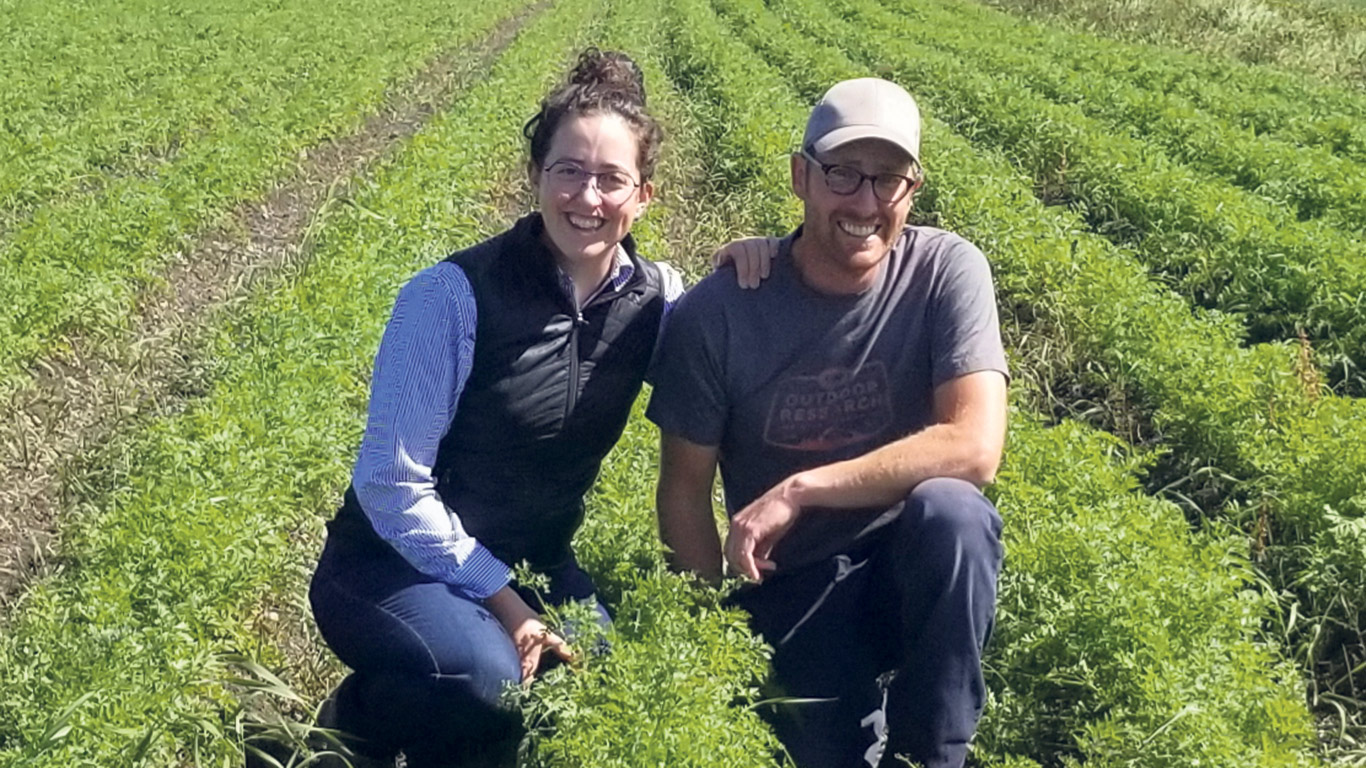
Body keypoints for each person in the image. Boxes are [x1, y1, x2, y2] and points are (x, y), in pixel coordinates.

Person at [307, 50, 766, 768]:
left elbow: (733, 341)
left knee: (602, 689)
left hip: (538, 563)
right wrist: (506, 603)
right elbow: (391, 487)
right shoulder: (449, 297)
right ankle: (353, 728)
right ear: (536, 178)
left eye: (611, 179)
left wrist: (760, 259)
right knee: (487, 681)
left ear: (644, 195)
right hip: (389, 567)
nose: (588, 198)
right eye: (568, 171)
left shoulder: (658, 301)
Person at [647, 78, 1009, 768]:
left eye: (889, 179)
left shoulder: (945, 272)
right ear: (800, 177)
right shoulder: (720, 313)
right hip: (793, 589)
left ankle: (934, 753)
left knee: (953, 514)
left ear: (914, 187)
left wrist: (800, 489)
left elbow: (974, 447)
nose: (867, 202)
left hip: (906, 569)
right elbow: (684, 492)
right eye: (844, 175)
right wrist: (702, 642)